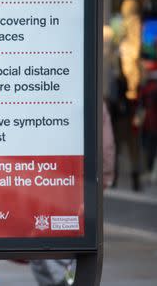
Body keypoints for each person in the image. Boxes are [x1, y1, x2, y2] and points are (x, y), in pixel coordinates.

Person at [30, 101, 116, 286]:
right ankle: (65, 275)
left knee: (49, 239)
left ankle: (61, 277)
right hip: (76, 182)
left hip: (52, 180)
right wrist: (105, 177)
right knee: (73, 235)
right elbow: (106, 144)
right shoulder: (91, 95)